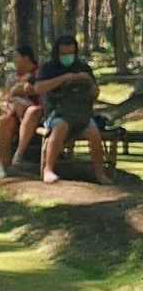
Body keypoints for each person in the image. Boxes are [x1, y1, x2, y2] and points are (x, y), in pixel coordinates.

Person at [34, 32, 105, 184]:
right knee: (61, 126)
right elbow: (38, 88)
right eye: (64, 53)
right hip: (56, 113)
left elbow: (95, 93)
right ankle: (48, 169)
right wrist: (64, 78)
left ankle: (100, 174)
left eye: (71, 53)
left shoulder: (83, 67)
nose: (68, 56)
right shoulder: (48, 68)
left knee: (94, 132)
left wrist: (89, 82)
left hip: (82, 113)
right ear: (57, 52)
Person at [0, 43, 43, 177]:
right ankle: (2, 166)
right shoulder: (12, 77)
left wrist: (15, 93)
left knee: (29, 109)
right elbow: (4, 98)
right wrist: (6, 104)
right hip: (15, 113)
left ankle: (18, 156)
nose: (14, 61)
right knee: (5, 121)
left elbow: (34, 91)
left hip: (36, 112)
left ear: (26, 58)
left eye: (16, 57)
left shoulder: (40, 73)